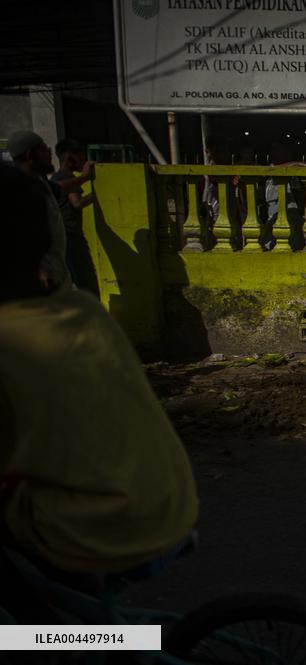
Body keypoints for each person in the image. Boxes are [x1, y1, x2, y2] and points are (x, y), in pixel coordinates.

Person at [0, 165, 198, 595]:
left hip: (98, 529)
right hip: (173, 500)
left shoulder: (9, 339)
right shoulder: (82, 309)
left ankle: (59, 639)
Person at [7, 130, 68, 290]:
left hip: (56, 273)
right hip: (42, 280)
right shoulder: (20, 191)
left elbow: (59, 188)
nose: (49, 152)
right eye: (43, 148)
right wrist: (40, 269)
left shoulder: (39, 182)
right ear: (29, 155)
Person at [51, 139, 100, 297]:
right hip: (72, 236)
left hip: (64, 236)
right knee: (87, 282)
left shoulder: (57, 177)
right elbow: (77, 203)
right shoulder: (66, 176)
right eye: (81, 157)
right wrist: (99, 195)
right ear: (71, 158)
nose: (83, 161)